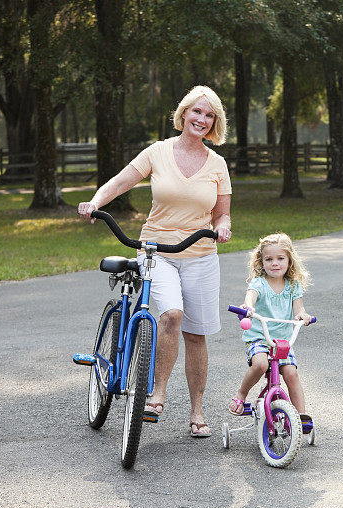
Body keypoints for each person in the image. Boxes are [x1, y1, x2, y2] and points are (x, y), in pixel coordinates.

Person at [78, 86, 232, 437]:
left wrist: (222, 229)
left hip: (200, 255)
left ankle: (197, 412)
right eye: (197, 112)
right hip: (156, 251)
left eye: (209, 116)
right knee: (172, 315)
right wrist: (95, 202)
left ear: (215, 122)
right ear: (184, 114)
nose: (202, 120)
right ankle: (157, 393)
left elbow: (222, 215)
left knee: (197, 335)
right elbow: (121, 181)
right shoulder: (158, 152)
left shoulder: (218, 164)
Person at [228, 233, 312, 426]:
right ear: (261, 261)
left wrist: (302, 316)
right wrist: (248, 307)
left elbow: (299, 309)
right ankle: (241, 393)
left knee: (291, 373)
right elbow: (251, 297)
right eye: (269, 259)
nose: (275, 263)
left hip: (282, 341)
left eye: (280, 258)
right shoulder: (259, 283)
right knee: (260, 365)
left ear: (289, 261)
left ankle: (301, 417)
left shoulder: (292, 286)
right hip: (259, 337)